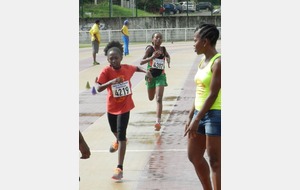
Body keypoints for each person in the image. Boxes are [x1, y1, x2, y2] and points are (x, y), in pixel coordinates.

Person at [94, 40, 149, 180]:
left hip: (125, 107)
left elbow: (136, 68)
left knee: (121, 135)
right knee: (115, 132)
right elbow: (98, 88)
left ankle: (119, 167)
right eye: (110, 58)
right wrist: (111, 82)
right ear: (107, 60)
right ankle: (118, 141)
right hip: (112, 107)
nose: (113, 60)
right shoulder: (106, 71)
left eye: (116, 58)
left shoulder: (126, 68)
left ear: (121, 58)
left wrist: (146, 72)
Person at [184, 24, 221, 190]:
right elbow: (200, 91)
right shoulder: (202, 61)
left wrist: (197, 118)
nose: (193, 44)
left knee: (215, 161)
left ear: (205, 41)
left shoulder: (218, 62)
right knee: (194, 156)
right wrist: (191, 115)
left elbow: (213, 94)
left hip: (215, 114)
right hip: (199, 113)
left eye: (195, 40)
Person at [140, 32, 170, 131]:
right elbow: (141, 62)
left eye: (160, 38)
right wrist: (152, 57)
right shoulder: (150, 49)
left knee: (159, 99)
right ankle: (158, 120)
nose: (158, 39)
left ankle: (158, 121)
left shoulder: (163, 49)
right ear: (152, 39)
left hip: (161, 76)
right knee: (151, 98)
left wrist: (168, 61)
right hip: (150, 77)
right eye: (156, 38)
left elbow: (167, 55)